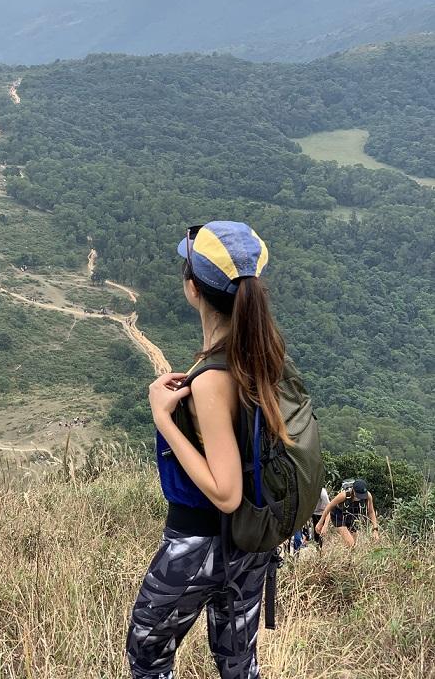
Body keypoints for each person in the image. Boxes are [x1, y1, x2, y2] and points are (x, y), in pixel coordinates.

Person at [127, 220, 291, 679]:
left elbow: (226, 492)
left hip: (201, 540)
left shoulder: (214, 379)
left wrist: (163, 418)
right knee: (238, 661)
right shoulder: (261, 352)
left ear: (193, 288)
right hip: (251, 542)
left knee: (147, 653)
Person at [315, 479, 379, 548]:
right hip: (338, 515)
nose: (360, 497)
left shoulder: (368, 496)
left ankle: (344, 552)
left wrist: (375, 529)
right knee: (351, 543)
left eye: (362, 495)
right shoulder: (344, 495)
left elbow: (371, 512)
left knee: (354, 544)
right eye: (358, 495)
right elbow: (329, 506)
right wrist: (321, 523)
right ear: (353, 490)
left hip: (352, 516)